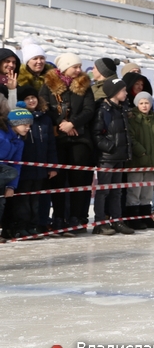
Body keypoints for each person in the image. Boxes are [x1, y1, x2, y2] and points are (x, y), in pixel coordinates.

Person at [39, 52, 96, 234]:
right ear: (64, 68)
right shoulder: (49, 84)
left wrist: (73, 123)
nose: (79, 70)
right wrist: (62, 124)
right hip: (59, 139)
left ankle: (76, 217)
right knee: (59, 181)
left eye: (80, 67)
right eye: (75, 67)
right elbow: (44, 107)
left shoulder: (85, 85)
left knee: (78, 181)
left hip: (80, 139)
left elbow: (89, 109)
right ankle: (58, 218)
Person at [90, 79, 136, 235]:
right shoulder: (103, 110)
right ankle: (100, 222)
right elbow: (96, 134)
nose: (126, 93)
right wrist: (110, 147)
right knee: (103, 191)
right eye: (123, 90)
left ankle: (117, 220)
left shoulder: (122, 108)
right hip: (107, 158)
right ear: (114, 92)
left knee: (117, 191)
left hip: (119, 157)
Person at [12, 87, 58, 237]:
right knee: (23, 200)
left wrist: (52, 165)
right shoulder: (18, 119)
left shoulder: (44, 118)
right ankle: (22, 226)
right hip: (23, 168)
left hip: (41, 167)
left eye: (33, 97)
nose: (31, 100)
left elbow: (51, 144)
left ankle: (34, 226)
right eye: (27, 98)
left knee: (36, 199)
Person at [126, 91, 154, 229]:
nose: (144, 106)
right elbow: (130, 137)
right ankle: (133, 218)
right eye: (141, 103)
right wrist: (141, 152)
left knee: (147, 191)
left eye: (147, 102)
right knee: (134, 190)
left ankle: (146, 217)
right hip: (137, 161)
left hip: (152, 161)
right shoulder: (132, 118)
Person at [0, 105, 33, 243]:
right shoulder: (1, 135)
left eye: (29, 125)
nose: (28, 128)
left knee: (1, 203)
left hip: (3, 175)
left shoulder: (19, 141)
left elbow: (16, 164)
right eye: (25, 124)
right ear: (15, 123)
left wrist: (11, 187)